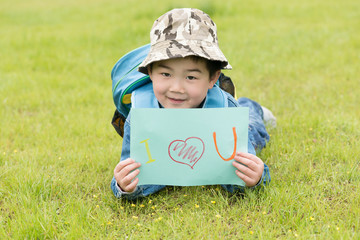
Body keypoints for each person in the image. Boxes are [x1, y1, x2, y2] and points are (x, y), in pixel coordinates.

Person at [111, 8, 275, 200]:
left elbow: (242, 178)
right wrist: (124, 186)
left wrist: (255, 179)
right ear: (150, 73)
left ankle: (252, 107)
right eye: (165, 74)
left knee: (252, 128)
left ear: (213, 78)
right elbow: (134, 176)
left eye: (191, 77)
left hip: (230, 120)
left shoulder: (225, 109)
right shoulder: (141, 113)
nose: (177, 88)